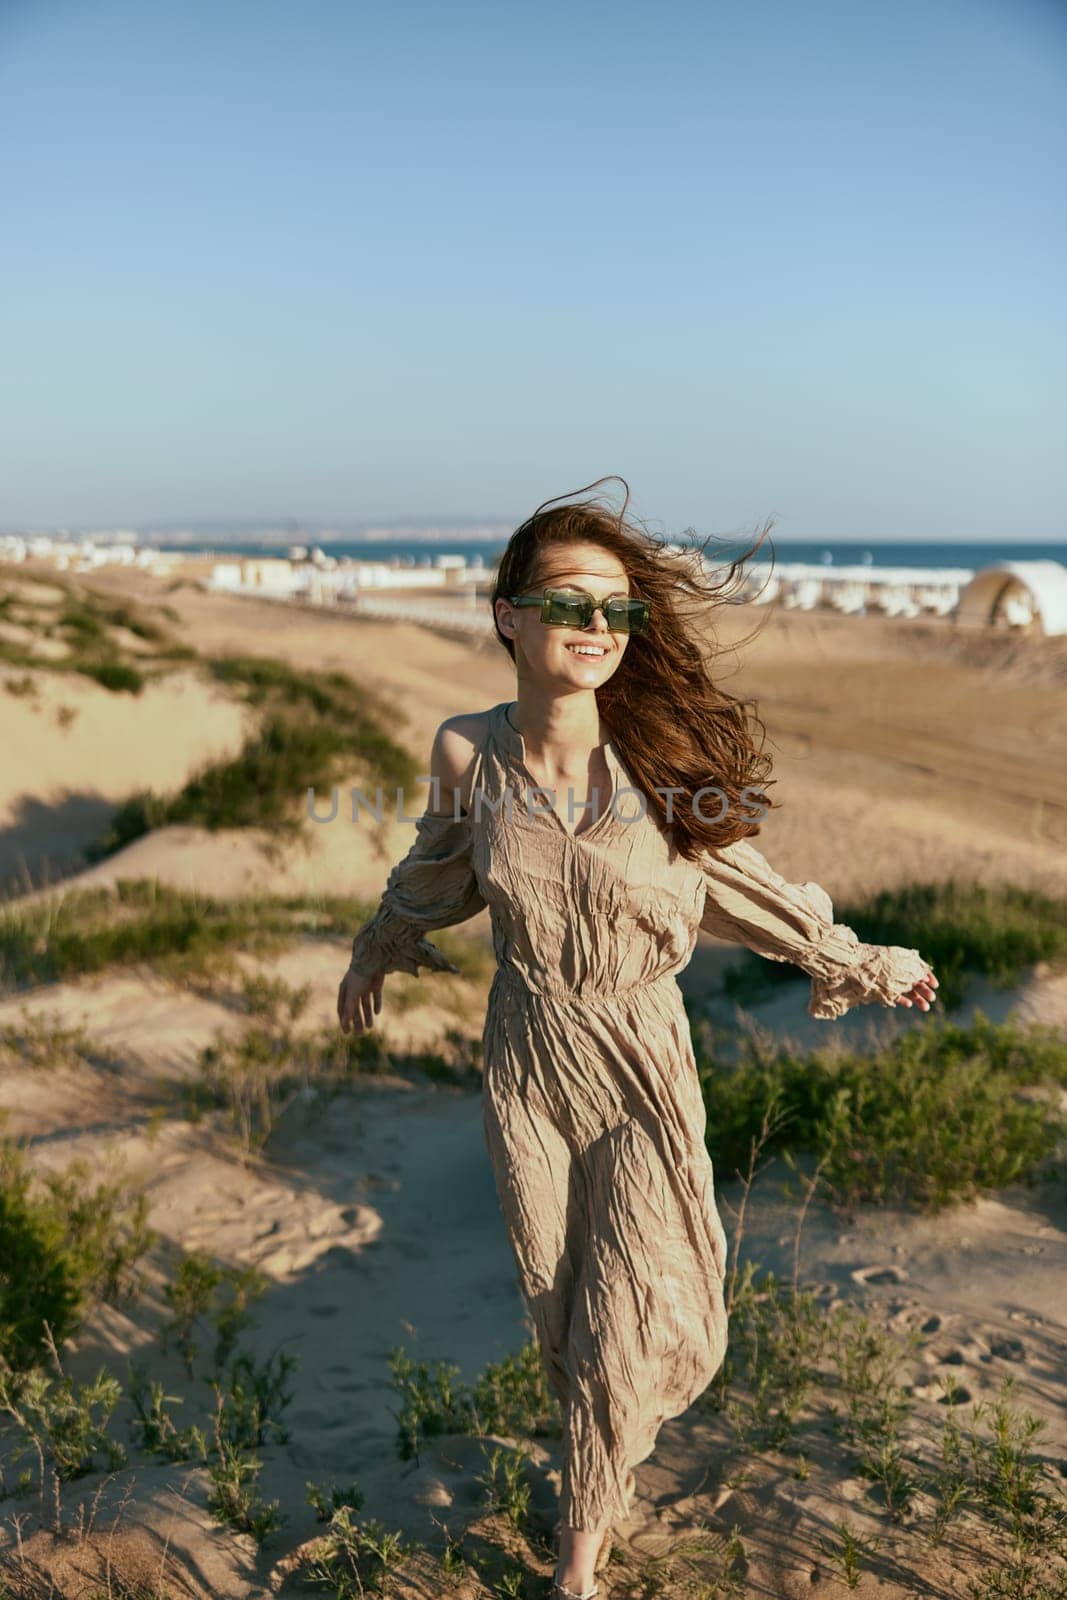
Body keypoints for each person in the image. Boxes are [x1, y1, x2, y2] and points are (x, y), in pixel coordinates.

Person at [337, 479, 938, 1600]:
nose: (597, 628)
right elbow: (436, 871)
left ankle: (574, 1557)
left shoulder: (657, 763)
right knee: (562, 1306)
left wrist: (853, 961)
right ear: (507, 615)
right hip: (526, 1061)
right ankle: (595, 1479)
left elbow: (740, 885)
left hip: (638, 1060)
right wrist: (376, 947)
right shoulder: (469, 755)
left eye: (617, 609)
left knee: (633, 1298)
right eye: (569, 603)